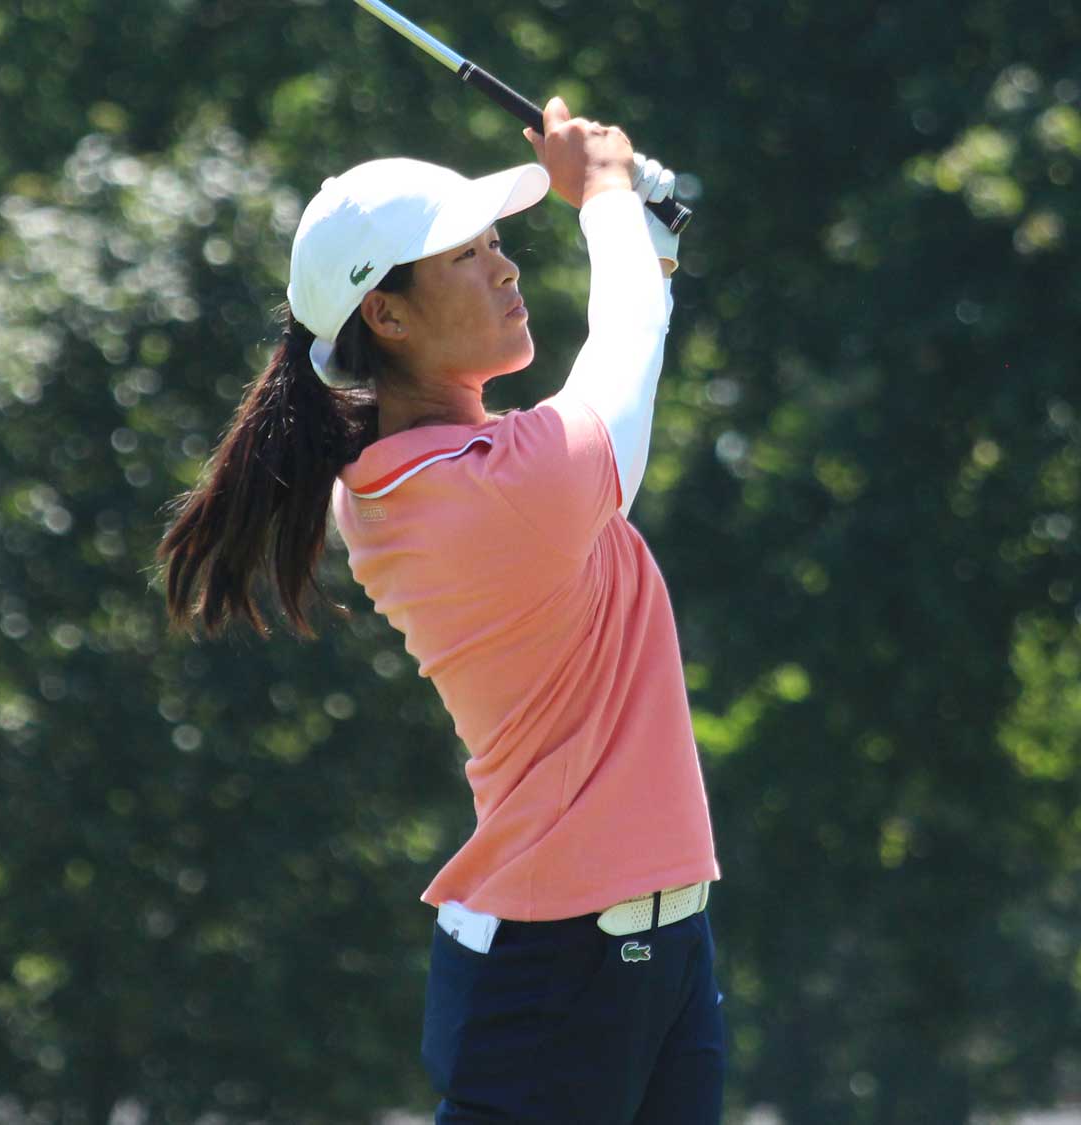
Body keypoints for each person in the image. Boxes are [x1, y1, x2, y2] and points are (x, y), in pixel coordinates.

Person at [157, 96, 723, 1124]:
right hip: (559, 970)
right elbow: (625, 360)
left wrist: (645, 239)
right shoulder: (487, 490)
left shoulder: (442, 474)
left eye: (496, 243)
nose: (505, 269)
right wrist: (603, 199)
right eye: (467, 255)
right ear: (387, 316)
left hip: (654, 944)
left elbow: (625, 361)